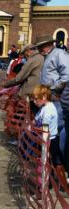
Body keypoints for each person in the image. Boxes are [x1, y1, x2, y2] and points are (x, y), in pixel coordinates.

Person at [37, 34, 69, 177]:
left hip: (58, 100)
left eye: (40, 47)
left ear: (47, 45)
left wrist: (54, 89)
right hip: (52, 98)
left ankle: (61, 169)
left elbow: (67, 76)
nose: (39, 49)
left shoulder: (59, 54)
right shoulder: (50, 56)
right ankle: (56, 168)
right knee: (51, 135)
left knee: (57, 135)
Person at [32, 85, 66, 185]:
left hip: (49, 141)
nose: (34, 101)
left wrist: (33, 128)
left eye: (36, 99)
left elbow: (45, 129)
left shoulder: (48, 110)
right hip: (47, 139)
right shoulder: (44, 107)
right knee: (52, 163)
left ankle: (44, 186)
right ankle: (48, 184)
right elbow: (37, 119)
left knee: (48, 163)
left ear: (44, 97)